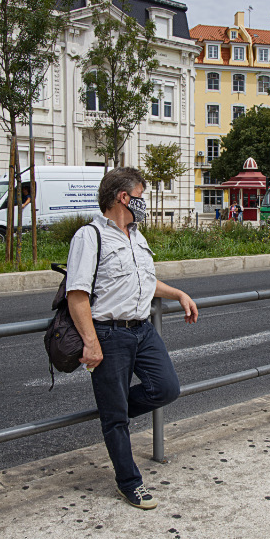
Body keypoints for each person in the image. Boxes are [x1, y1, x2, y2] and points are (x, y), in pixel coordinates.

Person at [65, 167, 198, 510]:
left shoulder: (136, 236)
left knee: (166, 388)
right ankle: (130, 483)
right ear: (123, 197)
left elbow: (145, 281)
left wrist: (178, 293)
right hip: (109, 334)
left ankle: (115, 411)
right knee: (115, 418)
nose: (144, 202)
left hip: (142, 329)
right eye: (140, 196)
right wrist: (91, 342)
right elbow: (77, 295)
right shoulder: (90, 237)